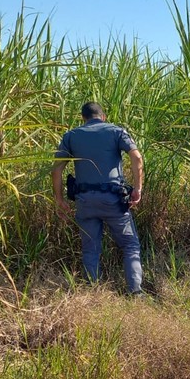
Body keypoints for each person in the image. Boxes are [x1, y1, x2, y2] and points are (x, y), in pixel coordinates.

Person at [52, 102, 145, 295]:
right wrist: (137, 189)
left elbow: (56, 169)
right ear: (103, 116)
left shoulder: (71, 135)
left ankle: (92, 293)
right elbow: (137, 158)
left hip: (85, 201)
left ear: (83, 118)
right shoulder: (116, 131)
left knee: (90, 249)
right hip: (113, 200)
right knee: (130, 245)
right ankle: (135, 292)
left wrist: (59, 199)